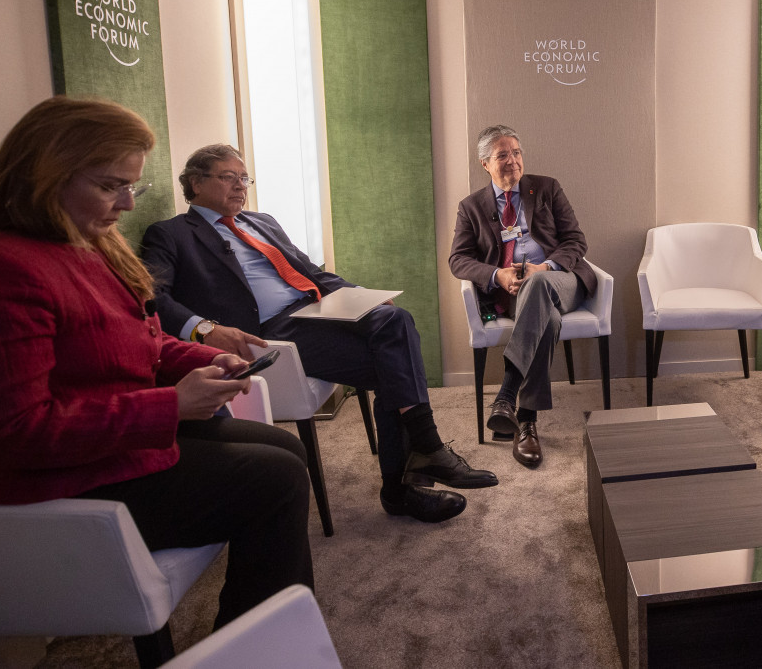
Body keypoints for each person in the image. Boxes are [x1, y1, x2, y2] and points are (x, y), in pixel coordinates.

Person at [0, 97, 314, 628]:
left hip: (112, 438)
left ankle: (265, 627)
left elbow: (143, 342)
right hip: (59, 472)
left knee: (285, 448)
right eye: (110, 186)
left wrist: (208, 355)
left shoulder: (90, 244)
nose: (126, 203)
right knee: (275, 479)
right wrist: (170, 406)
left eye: (132, 187)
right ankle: (268, 643)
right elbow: (11, 433)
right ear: (46, 175)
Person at [141, 144, 496, 525]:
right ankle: (411, 474)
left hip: (313, 311)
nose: (241, 186)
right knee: (393, 368)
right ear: (196, 183)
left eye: (244, 178)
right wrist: (204, 328)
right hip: (269, 331)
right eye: (229, 177)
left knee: (394, 320)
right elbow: (152, 296)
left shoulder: (261, 222)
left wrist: (362, 296)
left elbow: (309, 272)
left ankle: (415, 468)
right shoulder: (171, 234)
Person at [449, 125, 596, 467]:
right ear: (485, 163)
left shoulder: (546, 188)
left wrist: (543, 268)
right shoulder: (471, 207)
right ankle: (527, 422)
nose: (513, 160)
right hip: (514, 290)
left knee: (539, 285)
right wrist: (497, 275)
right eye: (503, 155)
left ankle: (506, 394)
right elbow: (458, 259)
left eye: (516, 152)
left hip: (561, 279)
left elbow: (576, 240)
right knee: (548, 320)